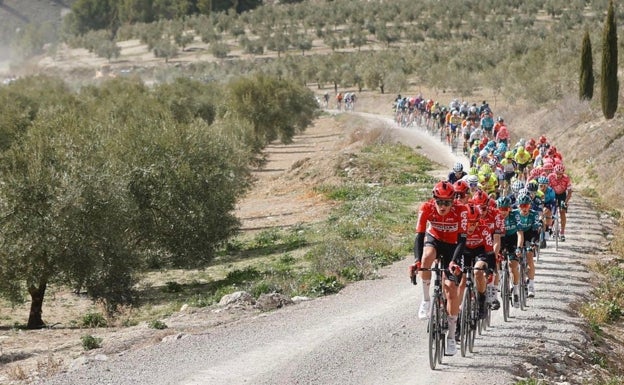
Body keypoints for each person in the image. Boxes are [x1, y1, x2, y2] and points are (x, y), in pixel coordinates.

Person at [409, 181, 468, 356]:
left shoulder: (461, 211)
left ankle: (451, 335)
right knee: (426, 257)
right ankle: (427, 300)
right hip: (434, 238)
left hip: (453, 246)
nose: (443, 206)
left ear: (453, 201)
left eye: (447, 203)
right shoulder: (426, 208)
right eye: (439, 202)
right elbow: (419, 236)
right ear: (434, 200)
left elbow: (463, 240)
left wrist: (454, 261)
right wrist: (416, 261)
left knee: (451, 289)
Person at [516, 193, 541, 298]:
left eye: (526, 205)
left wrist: (534, 243)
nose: (524, 208)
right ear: (518, 206)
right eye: (522, 205)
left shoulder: (534, 214)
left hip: (530, 235)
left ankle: (531, 285)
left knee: (529, 256)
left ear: (529, 206)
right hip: (517, 235)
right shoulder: (515, 214)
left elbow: (536, 230)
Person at [548, 164, 572, 241]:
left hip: (562, 195)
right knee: (551, 211)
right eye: (557, 174)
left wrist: (565, 202)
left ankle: (562, 232)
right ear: (554, 172)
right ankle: (551, 227)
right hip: (553, 194)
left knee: (562, 212)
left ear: (563, 173)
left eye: (560, 174)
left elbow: (570, 192)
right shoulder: (550, 176)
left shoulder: (566, 178)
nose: (558, 176)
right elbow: (547, 188)